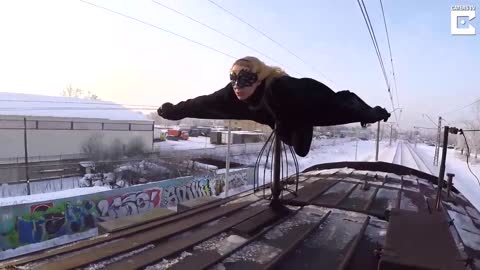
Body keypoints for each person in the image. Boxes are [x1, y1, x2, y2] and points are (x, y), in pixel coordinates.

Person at [158, 56, 390, 157]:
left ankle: (296, 124)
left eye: (245, 78)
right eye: (233, 78)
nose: (237, 86)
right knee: (284, 133)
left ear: (259, 78)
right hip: (274, 117)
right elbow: (202, 103)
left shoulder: (281, 88)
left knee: (301, 146)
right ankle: (281, 124)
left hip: (307, 108)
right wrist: (172, 111)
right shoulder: (232, 93)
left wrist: (371, 113)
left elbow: (337, 106)